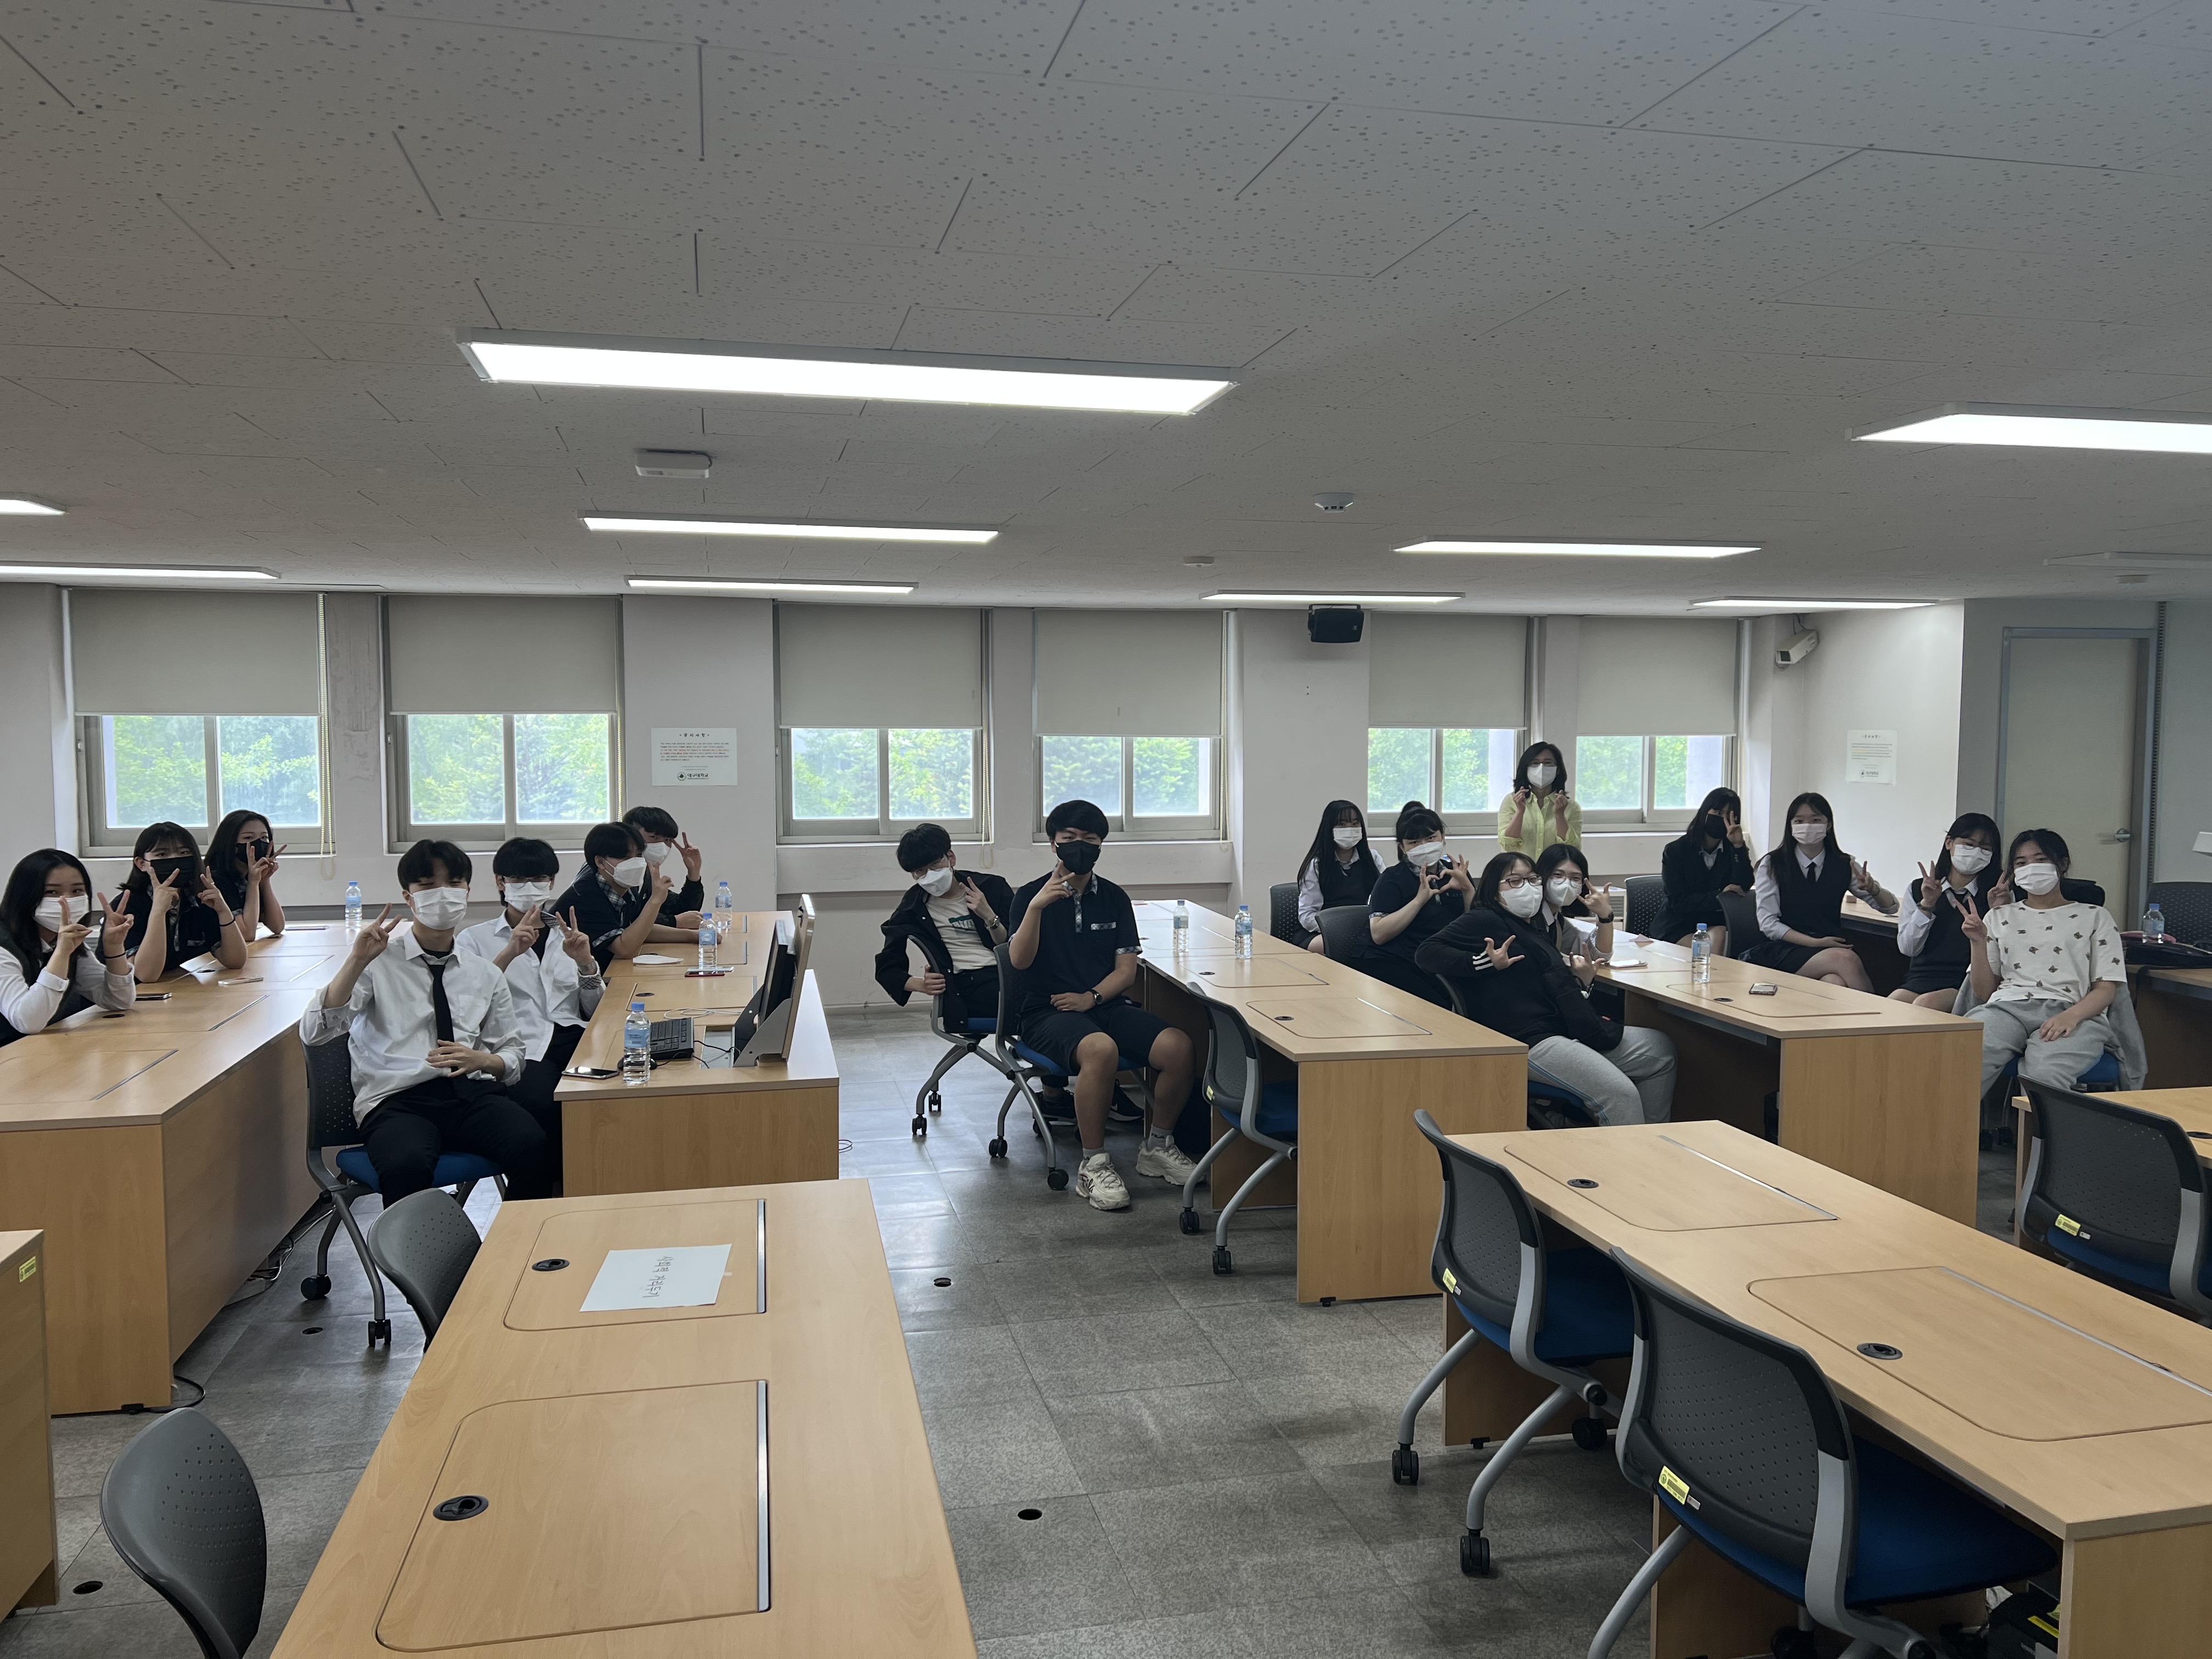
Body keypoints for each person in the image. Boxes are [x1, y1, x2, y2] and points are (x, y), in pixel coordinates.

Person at [300, 839, 553, 1206]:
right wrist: (356, 961)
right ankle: (417, 1247)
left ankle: (518, 1241)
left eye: (453, 884)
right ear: (409, 897)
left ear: (467, 892)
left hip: (469, 1094)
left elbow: (512, 1053)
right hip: (397, 1100)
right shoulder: (377, 963)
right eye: (428, 886)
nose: (443, 894)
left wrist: (485, 1061)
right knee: (407, 1163)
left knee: (534, 1144)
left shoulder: (484, 972)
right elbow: (315, 1032)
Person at [1006, 799, 1198, 1211]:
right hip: (1045, 1011)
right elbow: (1019, 961)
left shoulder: (1113, 897)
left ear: (1100, 846)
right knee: (1101, 1049)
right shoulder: (1028, 897)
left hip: (1103, 1004)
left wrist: (1090, 998)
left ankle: (1158, 1146)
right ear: (1054, 844)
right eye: (1069, 838)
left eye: (1089, 840)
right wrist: (1038, 907)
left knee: (1178, 1046)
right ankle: (1093, 1164)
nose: (1079, 846)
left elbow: (1126, 972)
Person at [1418, 853, 1677, 1126]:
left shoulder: (1536, 925)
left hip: (1559, 1026)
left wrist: (1582, 983)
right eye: (1515, 881)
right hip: (1528, 1039)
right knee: (1620, 1094)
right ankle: (1632, 1152)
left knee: (1660, 1050)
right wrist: (1483, 962)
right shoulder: (1485, 919)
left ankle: (1653, 1141)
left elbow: (1550, 987)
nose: (1527, 887)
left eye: (1533, 880)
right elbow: (1426, 953)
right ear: (1494, 889)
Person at [458, 838, 603, 1169]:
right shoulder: (474, 940)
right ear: (501, 882)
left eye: (539, 879)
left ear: (551, 883)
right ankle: (557, 1186)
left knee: (613, 1095)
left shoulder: (567, 934)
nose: (530, 887)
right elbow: (468, 1008)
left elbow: (595, 1011)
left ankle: (600, 1178)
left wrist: (585, 964)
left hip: (574, 1038)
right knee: (545, 1103)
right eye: (519, 879)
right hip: (520, 1045)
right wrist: (509, 953)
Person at [1960, 828, 2124, 1095]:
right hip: (2006, 1008)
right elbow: (1984, 992)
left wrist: (2071, 1017)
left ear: (2062, 864)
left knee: (2045, 1073)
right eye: (2021, 863)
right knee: (1962, 1057)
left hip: (2071, 1009)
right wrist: (1977, 942)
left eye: (2041, 860)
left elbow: (2106, 988)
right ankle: (1948, 1125)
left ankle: (2040, 1126)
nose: (2031, 868)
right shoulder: (1999, 916)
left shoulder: (2096, 916)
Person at [1742, 793, 1897, 991]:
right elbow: (1768, 924)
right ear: (1791, 826)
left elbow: (1890, 908)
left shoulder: (1844, 864)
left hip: (1827, 948)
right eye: (1799, 821)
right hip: (1784, 950)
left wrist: (1873, 889)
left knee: (1834, 982)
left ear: (1828, 825)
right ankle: (1877, 1010)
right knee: (1846, 959)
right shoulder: (1773, 864)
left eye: (1816, 820)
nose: (1807, 826)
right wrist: (1815, 943)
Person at [874, 822, 1013, 1027]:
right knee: (1037, 1007)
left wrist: (989, 916)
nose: (930, 875)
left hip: (1010, 973)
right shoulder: (913, 908)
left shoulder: (992, 888)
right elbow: (887, 968)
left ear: (951, 857)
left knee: (1048, 996)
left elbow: (1013, 944)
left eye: (935, 865)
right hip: (967, 984)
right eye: (920, 871)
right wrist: (921, 985)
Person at [1, 850, 134, 1043]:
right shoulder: (5, 947)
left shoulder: (65, 943)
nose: (66, 900)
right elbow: (28, 1022)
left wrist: (114, 947)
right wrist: (62, 953)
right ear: (25, 896)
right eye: (52, 892)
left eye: (77, 891)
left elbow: (119, 1001)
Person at [551, 820, 703, 969]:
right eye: (625, 858)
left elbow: (640, 930)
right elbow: (624, 949)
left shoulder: (626, 885)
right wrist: (655, 901)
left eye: (639, 855)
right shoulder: (586, 896)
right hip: (572, 978)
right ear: (601, 862)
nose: (635, 863)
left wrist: (695, 936)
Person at [1363, 801, 1471, 1007]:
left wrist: (1468, 889)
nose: (1424, 846)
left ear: (1443, 837)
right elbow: (1378, 934)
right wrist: (1419, 901)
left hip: (1438, 958)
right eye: (1414, 842)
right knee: (1435, 1006)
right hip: (1395, 960)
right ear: (1402, 848)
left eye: (1430, 838)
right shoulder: (1392, 879)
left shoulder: (1455, 873)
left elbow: (1475, 924)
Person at [1891, 812, 2001, 1009]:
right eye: (1969, 844)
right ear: (1949, 842)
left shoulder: (1995, 894)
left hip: (1968, 980)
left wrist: (1999, 910)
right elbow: (1908, 949)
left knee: (1924, 1005)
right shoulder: (1919, 889)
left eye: (1985, 849)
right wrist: (1927, 904)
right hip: (1923, 977)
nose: (1976, 853)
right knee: (1890, 1006)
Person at [119, 822, 249, 980]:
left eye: (184, 853)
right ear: (142, 864)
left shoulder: (197, 899)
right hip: (128, 993)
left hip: (172, 987)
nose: (175, 860)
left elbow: (236, 961)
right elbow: (146, 976)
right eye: (162, 855)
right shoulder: (129, 905)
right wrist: (158, 912)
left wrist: (224, 911)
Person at [1654, 787, 1754, 948]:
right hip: (1679, 924)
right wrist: (1720, 896)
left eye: (1729, 815)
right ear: (1704, 813)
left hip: (1716, 923)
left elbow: (1743, 886)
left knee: (1722, 935)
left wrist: (1738, 846)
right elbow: (1678, 901)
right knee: (1708, 945)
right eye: (1718, 813)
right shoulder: (1676, 850)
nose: (1723, 819)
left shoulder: (1733, 849)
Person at [1293, 800, 1381, 953]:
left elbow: (1385, 897)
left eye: (1355, 824)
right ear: (1330, 828)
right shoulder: (1317, 865)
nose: (1350, 829)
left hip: (1363, 927)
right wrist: (1338, 929)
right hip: (1321, 931)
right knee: (1328, 946)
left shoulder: (1372, 858)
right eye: (1342, 824)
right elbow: (1307, 914)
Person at [206, 809, 287, 941]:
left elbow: (277, 926)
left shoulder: (247, 876)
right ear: (230, 843)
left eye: (264, 838)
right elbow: (247, 934)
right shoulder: (217, 878)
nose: (258, 843)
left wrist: (264, 880)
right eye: (248, 838)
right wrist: (254, 883)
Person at [622, 805, 707, 927]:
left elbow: (681, 909)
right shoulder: (617, 871)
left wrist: (694, 872)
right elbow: (629, 920)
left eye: (667, 840)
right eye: (654, 837)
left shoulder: (647, 872)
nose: (661, 846)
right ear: (630, 835)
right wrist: (674, 922)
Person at [1534, 842, 1615, 962]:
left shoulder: (1558, 922)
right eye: (1558, 875)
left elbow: (1599, 956)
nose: (1566, 884)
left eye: (1575, 878)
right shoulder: (1530, 918)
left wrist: (1605, 916)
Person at [1497, 742, 1579, 855]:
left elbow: (1572, 849)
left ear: (1558, 769)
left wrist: (1560, 815)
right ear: (1526, 769)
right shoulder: (1512, 801)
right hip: (1520, 866)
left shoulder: (1571, 807)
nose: (1541, 768)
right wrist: (1520, 812)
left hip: (1554, 866)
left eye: (1548, 763)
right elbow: (1508, 845)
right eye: (1535, 763)